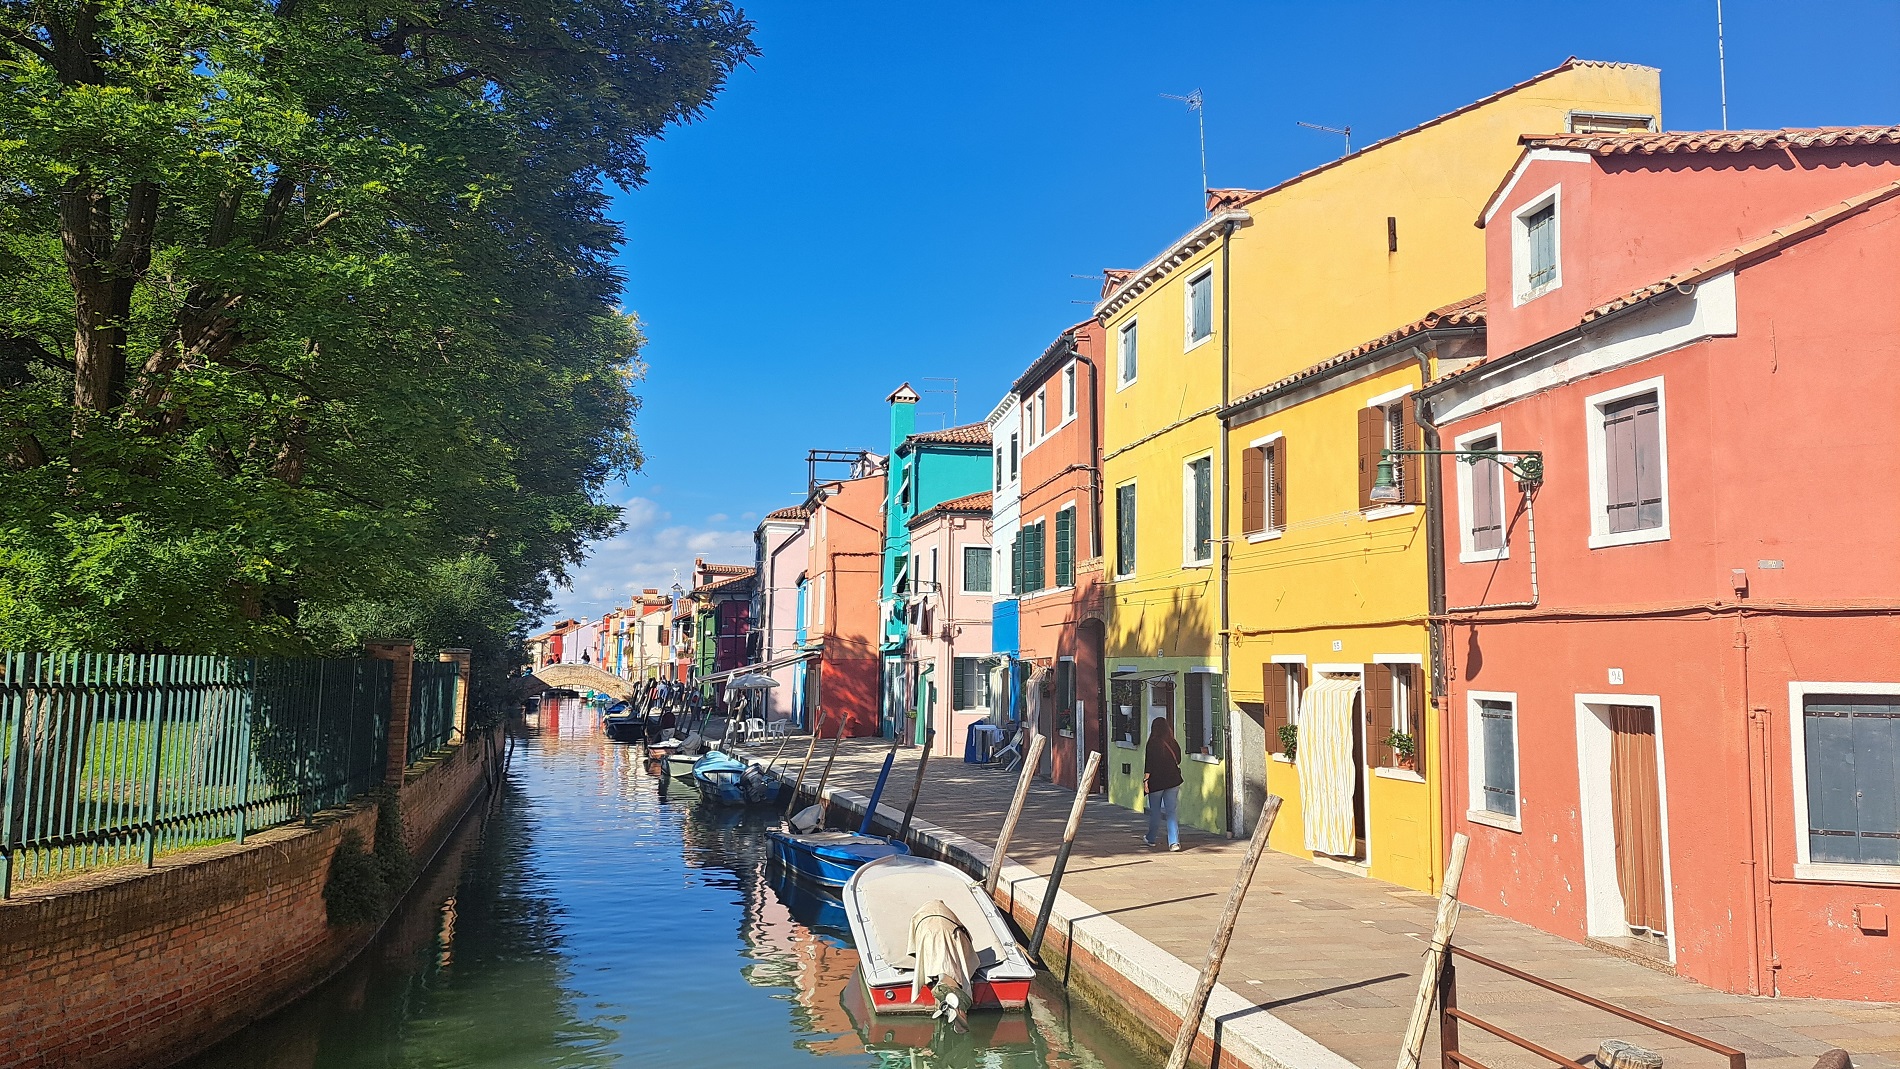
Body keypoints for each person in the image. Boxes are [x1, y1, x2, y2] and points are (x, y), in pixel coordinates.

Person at [1143, 716, 1183, 851]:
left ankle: (1151, 838)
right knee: (1171, 812)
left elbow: (1149, 765)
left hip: (1156, 782)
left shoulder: (1152, 743)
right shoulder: (1173, 742)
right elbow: (1179, 759)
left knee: (1155, 811)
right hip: (1173, 781)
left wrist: (1145, 781)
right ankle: (1174, 842)